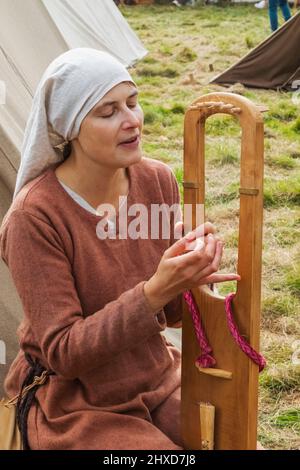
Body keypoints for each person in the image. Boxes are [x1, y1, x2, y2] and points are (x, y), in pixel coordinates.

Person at [0, 48, 240, 450]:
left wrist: (192, 277)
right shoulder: (34, 217)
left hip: (156, 376)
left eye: (132, 102)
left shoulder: (157, 179)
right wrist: (157, 289)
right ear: (70, 127)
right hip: (76, 402)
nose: (132, 120)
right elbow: (64, 353)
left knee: (237, 440)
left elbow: (173, 315)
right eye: (107, 112)